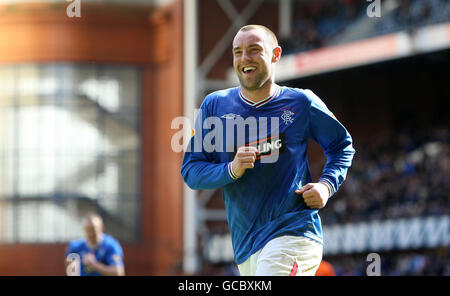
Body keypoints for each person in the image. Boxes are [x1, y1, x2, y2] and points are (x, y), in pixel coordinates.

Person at [181, 24, 355, 276]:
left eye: (254, 50)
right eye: (237, 52)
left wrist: (326, 186)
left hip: (293, 234)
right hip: (245, 247)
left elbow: (341, 146)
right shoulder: (214, 106)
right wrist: (232, 168)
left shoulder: (301, 102)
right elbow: (191, 170)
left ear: (275, 54)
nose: (244, 58)